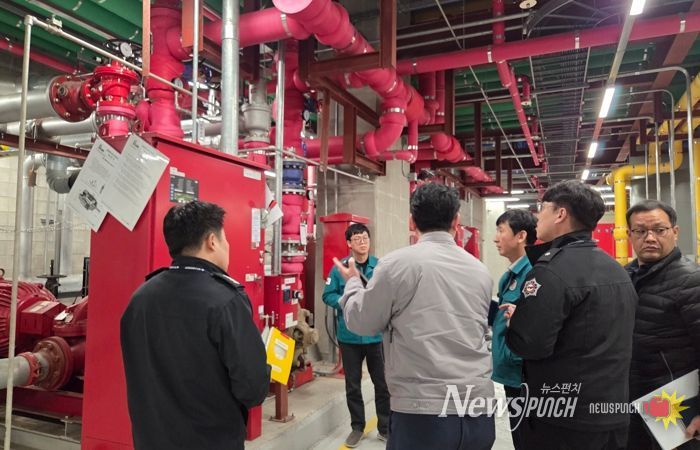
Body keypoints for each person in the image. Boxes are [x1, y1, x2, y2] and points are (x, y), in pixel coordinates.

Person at [333, 183, 495, 450]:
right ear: (456, 221)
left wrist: (352, 283)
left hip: (422, 411)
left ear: (411, 221)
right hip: (478, 409)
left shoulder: (396, 265)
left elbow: (362, 321)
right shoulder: (480, 271)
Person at [120, 201, 269, 450]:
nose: (228, 245)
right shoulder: (226, 301)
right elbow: (253, 389)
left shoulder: (140, 298)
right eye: (225, 239)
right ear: (212, 241)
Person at [504, 180, 638, 450]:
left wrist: (516, 320)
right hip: (611, 412)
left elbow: (529, 344)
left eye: (542, 208)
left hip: (564, 419)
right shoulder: (616, 270)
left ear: (560, 214)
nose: (537, 216)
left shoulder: (550, 270)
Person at [624, 200, 700, 450]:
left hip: (676, 403)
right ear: (629, 235)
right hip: (634, 400)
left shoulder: (691, 281)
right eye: (640, 231)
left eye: (659, 230)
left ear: (675, 232)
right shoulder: (625, 276)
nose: (649, 238)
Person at [322, 223, 390, 447]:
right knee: (353, 385)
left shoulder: (380, 267)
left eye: (365, 238)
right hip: (349, 336)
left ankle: (384, 427)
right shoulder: (339, 269)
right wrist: (346, 301)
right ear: (349, 244)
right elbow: (327, 295)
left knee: (382, 384)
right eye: (357, 238)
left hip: (375, 336)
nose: (362, 242)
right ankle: (357, 428)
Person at [491, 209, 537, 450]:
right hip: (511, 372)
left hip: (523, 375)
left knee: (527, 437)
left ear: (521, 236)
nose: (495, 238)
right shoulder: (510, 275)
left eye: (501, 231)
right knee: (519, 435)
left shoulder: (533, 274)